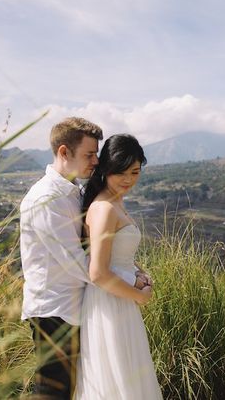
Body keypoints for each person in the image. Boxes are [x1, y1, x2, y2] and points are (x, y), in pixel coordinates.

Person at [20, 117, 147, 399]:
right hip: (54, 310)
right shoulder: (45, 199)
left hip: (81, 305)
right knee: (55, 392)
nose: (95, 162)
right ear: (64, 152)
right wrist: (131, 285)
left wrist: (132, 270)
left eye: (96, 154)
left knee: (84, 387)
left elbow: (96, 249)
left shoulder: (74, 192)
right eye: (89, 155)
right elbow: (77, 262)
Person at [75, 134, 163, 399]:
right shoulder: (104, 208)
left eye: (134, 172)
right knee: (118, 382)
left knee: (129, 379)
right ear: (105, 170)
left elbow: (117, 256)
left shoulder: (116, 200)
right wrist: (140, 296)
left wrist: (138, 271)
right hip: (109, 304)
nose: (128, 180)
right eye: (120, 172)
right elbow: (98, 272)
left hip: (120, 299)